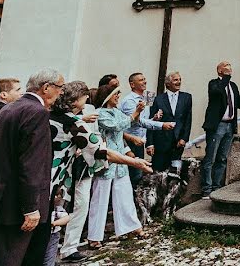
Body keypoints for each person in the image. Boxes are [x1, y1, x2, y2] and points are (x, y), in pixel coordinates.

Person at [0, 68, 64, 266]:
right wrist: (31, 208)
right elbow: (31, 164)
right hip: (13, 207)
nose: (61, 92)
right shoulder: (36, 112)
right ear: (46, 87)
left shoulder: (9, 109)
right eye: (60, 87)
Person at [53, 82, 151, 263]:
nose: (87, 100)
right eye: (84, 98)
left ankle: (70, 247)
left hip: (96, 165)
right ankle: (88, 237)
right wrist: (135, 161)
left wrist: (128, 150)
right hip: (79, 167)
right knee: (83, 203)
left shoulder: (85, 116)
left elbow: (115, 136)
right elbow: (105, 139)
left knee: (89, 204)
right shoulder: (88, 117)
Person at [88, 86, 147, 248]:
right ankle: (94, 236)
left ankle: (132, 226)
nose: (118, 96)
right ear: (107, 97)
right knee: (100, 199)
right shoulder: (100, 114)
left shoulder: (117, 112)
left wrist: (129, 152)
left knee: (125, 195)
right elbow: (116, 126)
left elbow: (121, 134)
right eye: (116, 94)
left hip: (120, 162)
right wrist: (134, 113)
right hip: (105, 161)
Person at [201, 61, 240, 197]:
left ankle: (217, 186)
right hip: (217, 125)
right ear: (219, 71)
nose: (230, 69)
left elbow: (238, 105)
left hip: (229, 125)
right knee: (211, 157)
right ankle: (206, 189)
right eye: (226, 67)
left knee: (222, 158)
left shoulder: (233, 86)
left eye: (230, 67)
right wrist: (226, 78)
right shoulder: (214, 83)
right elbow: (217, 93)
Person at [120, 73, 173, 187]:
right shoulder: (129, 100)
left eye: (144, 79)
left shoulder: (147, 97)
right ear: (132, 84)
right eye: (141, 80)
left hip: (140, 140)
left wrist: (154, 118)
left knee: (138, 174)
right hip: (130, 140)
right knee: (132, 174)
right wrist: (161, 125)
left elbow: (144, 120)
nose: (144, 82)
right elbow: (137, 121)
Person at [146, 71, 193, 172]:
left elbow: (188, 120)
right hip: (161, 142)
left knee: (175, 172)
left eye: (180, 80)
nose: (179, 82)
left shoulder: (186, 97)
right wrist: (150, 143)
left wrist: (184, 138)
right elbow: (151, 122)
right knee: (158, 172)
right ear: (168, 84)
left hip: (178, 142)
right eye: (175, 80)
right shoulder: (158, 99)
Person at [41, 188, 69, 266]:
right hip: (41, 235)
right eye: (56, 195)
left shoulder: (57, 208)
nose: (58, 197)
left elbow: (66, 218)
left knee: (49, 256)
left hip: (53, 235)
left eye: (59, 195)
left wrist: (54, 223)